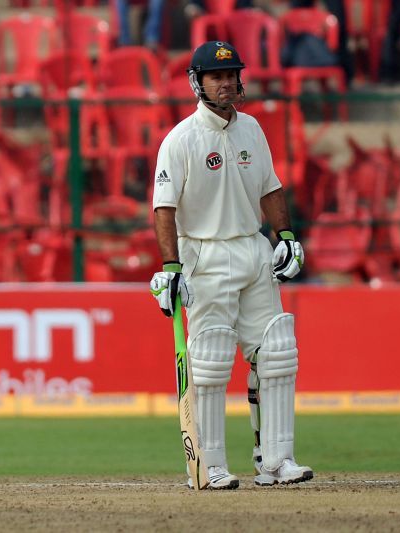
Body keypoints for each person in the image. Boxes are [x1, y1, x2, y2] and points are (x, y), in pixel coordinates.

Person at [149, 41, 313, 489]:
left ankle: (277, 460)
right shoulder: (180, 139)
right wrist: (171, 265)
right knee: (211, 360)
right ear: (196, 83)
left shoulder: (252, 129)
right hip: (205, 253)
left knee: (277, 353)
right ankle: (210, 464)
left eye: (230, 75)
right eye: (215, 77)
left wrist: (287, 237)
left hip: (253, 248)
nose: (225, 83)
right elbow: (164, 208)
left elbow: (270, 189)